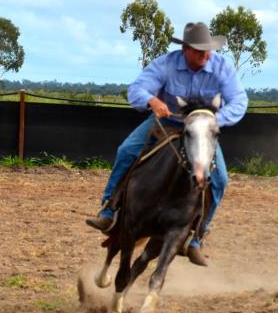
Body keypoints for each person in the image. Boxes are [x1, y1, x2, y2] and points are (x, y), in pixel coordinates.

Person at [85, 21, 247, 266]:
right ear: (185, 50)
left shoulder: (221, 67)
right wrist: (152, 100)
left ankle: (197, 236)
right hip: (166, 123)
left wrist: (215, 120)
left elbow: (239, 101)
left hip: (201, 128)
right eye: (199, 50)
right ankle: (109, 209)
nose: (205, 55)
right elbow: (137, 89)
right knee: (127, 151)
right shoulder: (166, 64)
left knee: (220, 179)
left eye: (207, 50)